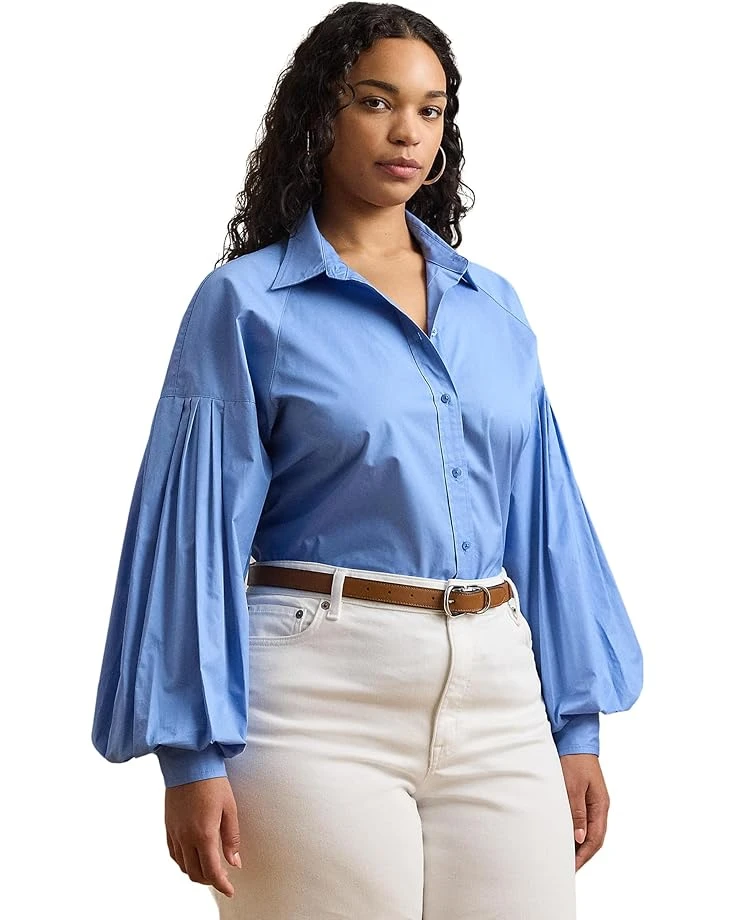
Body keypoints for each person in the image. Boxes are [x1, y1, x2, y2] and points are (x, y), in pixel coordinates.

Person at [91, 3, 644, 918]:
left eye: (431, 110)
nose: (408, 132)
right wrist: (190, 757)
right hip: (313, 699)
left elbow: (546, 519)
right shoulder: (247, 304)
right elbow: (193, 532)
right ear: (321, 116)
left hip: (500, 693)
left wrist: (575, 728)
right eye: (376, 102)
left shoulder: (492, 305)